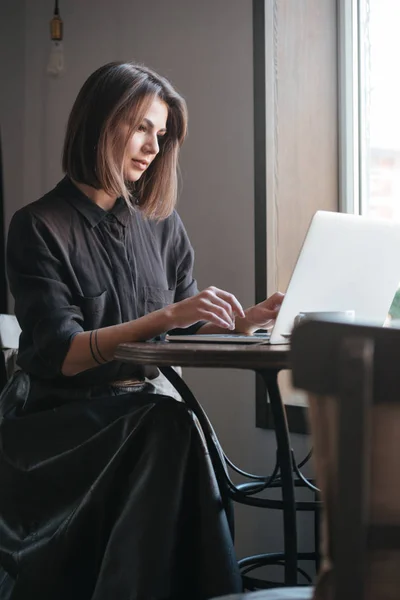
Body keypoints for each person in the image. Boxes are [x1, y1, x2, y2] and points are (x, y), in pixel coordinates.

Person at [0, 62, 284, 600]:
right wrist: (167, 317)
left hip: (140, 417)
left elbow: (183, 321)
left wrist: (241, 320)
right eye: (139, 128)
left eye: (161, 133)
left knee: (167, 424)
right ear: (99, 125)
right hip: (55, 425)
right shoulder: (38, 225)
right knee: (170, 424)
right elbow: (64, 354)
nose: (153, 146)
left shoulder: (161, 223)